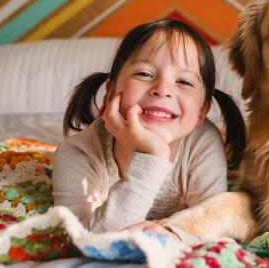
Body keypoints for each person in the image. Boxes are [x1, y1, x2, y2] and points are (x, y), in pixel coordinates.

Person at [52, 19, 245, 243]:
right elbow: (88, 242)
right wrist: (152, 156)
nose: (163, 89)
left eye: (183, 81)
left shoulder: (202, 144)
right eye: (144, 74)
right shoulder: (78, 153)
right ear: (111, 90)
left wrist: (175, 236)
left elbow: (213, 229)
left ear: (202, 111)